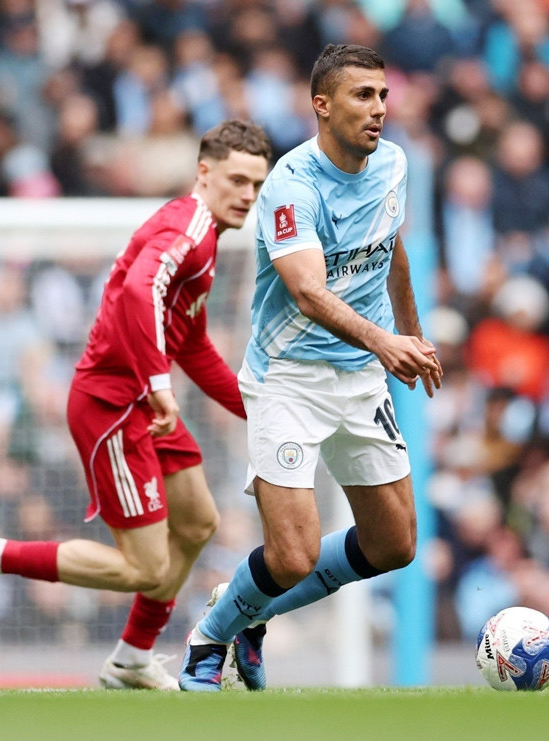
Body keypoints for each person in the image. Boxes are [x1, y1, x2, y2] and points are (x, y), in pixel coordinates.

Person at [0, 119, 273, 690]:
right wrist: (160, 384)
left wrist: (258, 408)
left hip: (143, 401)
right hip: (112, 406)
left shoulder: (206, 239)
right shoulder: (186, 227)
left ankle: (131, 659)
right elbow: (142, 291)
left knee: (197, 523)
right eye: (237, 180)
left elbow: (193, 346)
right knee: (145, 566)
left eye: (257, 185)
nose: (248, 195)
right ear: (204, 173)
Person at [177, 44, 442, 692]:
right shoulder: (290, 186)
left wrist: (411, 331)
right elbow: (307, 290)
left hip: (360, 374)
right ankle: (211, 632)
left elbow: (391, 244)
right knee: (291, 555)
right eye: (362, 96)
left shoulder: (394, 164)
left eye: (382, 95)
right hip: (289, 377)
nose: (378, 108)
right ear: (321, 106)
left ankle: (250, 615)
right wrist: (386, 341)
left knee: (393, 545)